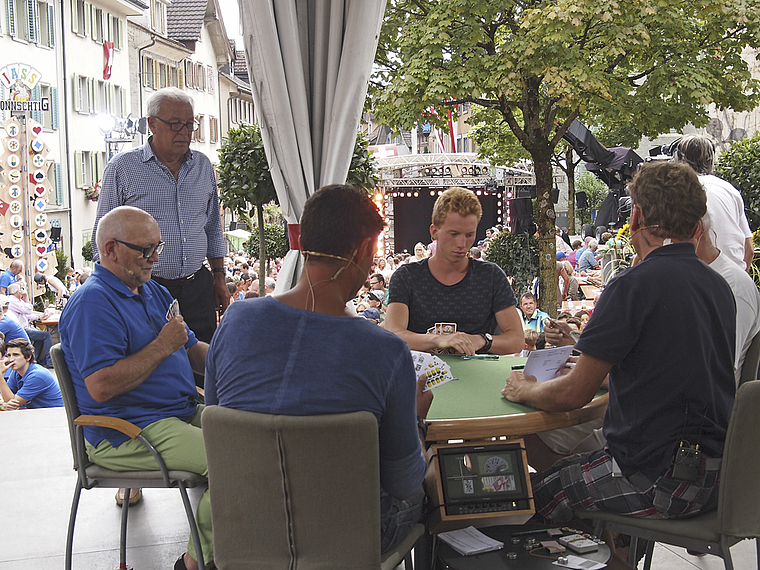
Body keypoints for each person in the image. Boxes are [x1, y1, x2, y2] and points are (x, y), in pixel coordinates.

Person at [502, 162, 736, 524]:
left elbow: (572, 396)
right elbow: (669, 374)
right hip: (717, 478)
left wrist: (523, 390)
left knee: (522, 501)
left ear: (637, 216)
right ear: (696, 226)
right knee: (569, 467)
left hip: (653, 476)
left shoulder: (632, 285)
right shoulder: (719, 287)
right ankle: (618, 551)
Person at [205, 185, 432, 554]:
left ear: (302, 240)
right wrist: (416, 422)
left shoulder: (235, 321)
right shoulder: (387, 352)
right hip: (349, 544)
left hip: (246, 535)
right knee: (432, 490)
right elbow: (405, 482)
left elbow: (218, 427)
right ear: (363, 251)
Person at [59, 206, 212, 570]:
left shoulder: (151, 291)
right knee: (236, 459)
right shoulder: (92, 303)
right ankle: (197, 563)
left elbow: (193, 353)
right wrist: (162, 344)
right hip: (128, 431)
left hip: (176, 414)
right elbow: (101, 387)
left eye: (157, 247)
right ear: (110, 249)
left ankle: (232, 546)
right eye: (145, 250)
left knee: (258, 435)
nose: (155, 258)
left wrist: (247, 357)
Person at [91, 87, 228, 353]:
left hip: (197, 286)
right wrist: (122, 293)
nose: (185, 132)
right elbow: (103, 238)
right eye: (175, 124)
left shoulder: (202, 166)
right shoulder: (123, 168)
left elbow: (212, 226)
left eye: (190, 124)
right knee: (156, 364)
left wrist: (219, 277)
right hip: (147, 288)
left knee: (206, 362)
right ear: (152, 124)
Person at [386, 187, 523, 355]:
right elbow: (393, 335)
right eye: (454, 234)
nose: (462, 243)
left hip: (476, 377)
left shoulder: (491, 276)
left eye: (469, 235)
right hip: (421, 377)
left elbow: (516, 340)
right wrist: (439, 339)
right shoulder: (406, 277)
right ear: (434, 232)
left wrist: (481, 340)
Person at [676, 134, 754, 269]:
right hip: (733, 274)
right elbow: (749, 250)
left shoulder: (678, 189)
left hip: (697, 277)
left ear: (679, 158)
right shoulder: (730, 190)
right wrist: (740, 277)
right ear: (711, 160)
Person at [0, 338, 63, 409]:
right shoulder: (15, 372)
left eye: (16, 355)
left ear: (28, 357)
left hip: (54, 414)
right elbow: (6, 399)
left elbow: (13, 403)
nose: (11, 359)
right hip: (35, 413)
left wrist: (0, 376)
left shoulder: (37, 375)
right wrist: (4, 404)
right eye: (9, 355)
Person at [6, 282, 53, 367]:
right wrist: (26, 297)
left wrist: (39, 318)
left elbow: (26, 316)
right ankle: (50, 361)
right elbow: (27, 310)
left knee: (40, 337)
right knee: (46, 335)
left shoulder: (17, 301)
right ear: (17, 292)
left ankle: (36, 359)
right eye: (20, 290)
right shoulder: (13, 301)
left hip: (24, 327)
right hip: (23, 329)